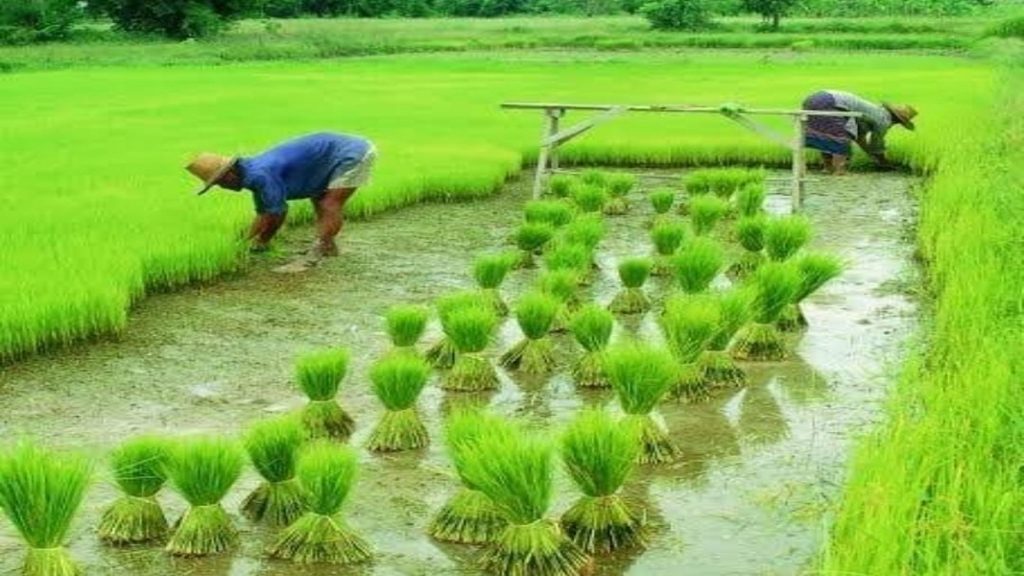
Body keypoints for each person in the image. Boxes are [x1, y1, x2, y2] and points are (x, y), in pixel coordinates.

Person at [186, 132, 376, 261]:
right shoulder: (252, 174)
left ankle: (321, 248)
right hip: (327, 156)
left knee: (329, 203)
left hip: (351, 152)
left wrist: (262, 241)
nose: (223, 187)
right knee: (319, 199)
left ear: (229, 175)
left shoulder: (259, 175)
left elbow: (278, 213)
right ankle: (328, 246)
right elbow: (263, 212)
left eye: (220, 183)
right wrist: (243, 242)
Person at [801, 90, 916, 175]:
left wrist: (870, 155)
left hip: (813, 98)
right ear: (896, 120)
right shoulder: (883, 120)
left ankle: (828, 168)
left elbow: (860, 138)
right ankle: (839, 172)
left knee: (826, 134)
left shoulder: (873, 113)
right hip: (832, 102)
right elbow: (876, 144)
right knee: (841, 137)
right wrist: (883, 161)